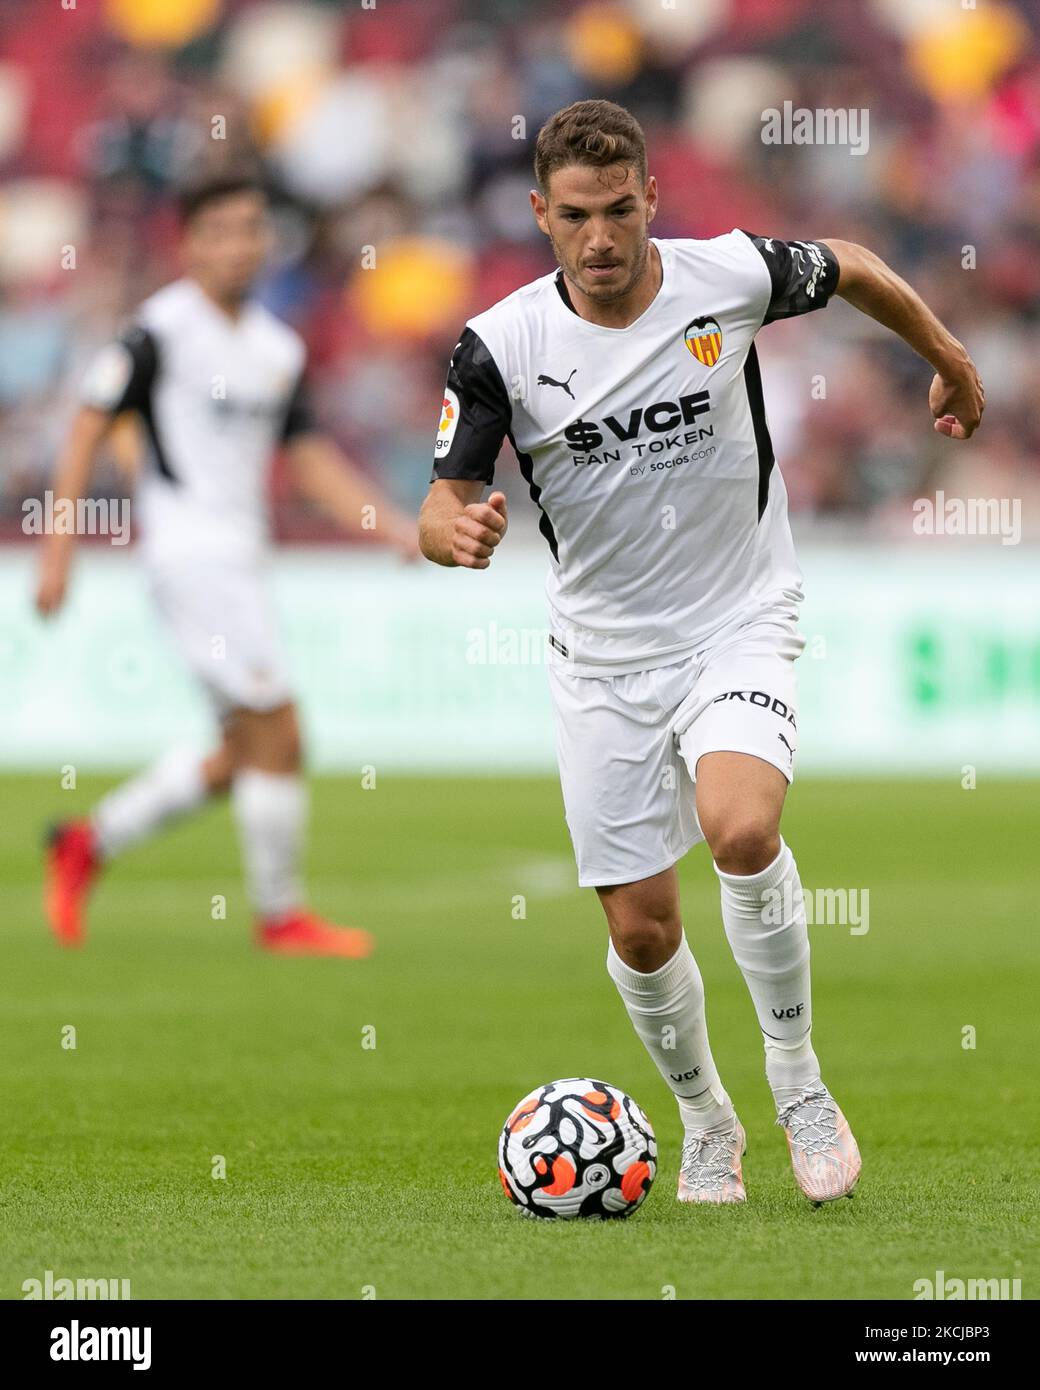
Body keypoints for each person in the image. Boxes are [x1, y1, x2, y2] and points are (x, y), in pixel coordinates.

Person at [418, 100, 984, 1204]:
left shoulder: (724, 277)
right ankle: (704, 1121)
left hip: (737, 618)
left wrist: (947, 356)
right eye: (575, 215)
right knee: (640, 931)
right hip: (601, 661)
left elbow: (854, 264)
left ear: (650, 199)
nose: (600, 238)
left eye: (619, 209)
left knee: (740, 827)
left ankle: (797, 1083)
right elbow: (441, 506)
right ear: (540, 212)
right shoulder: (499, 346)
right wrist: (452, 535)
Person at [37, 174, 418, 957]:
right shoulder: (158, 331)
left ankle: (88, 840)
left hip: (241, 559)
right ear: (189, 244)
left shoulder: (277, 348)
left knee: (243, 748)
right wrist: (58, 553)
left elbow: (309, 460)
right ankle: (279, 917)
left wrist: (393, 529)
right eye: (221, 230)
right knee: (277, 728)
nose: (240, 244)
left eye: (251, 228)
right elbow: (87, 426)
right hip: (189, 555)